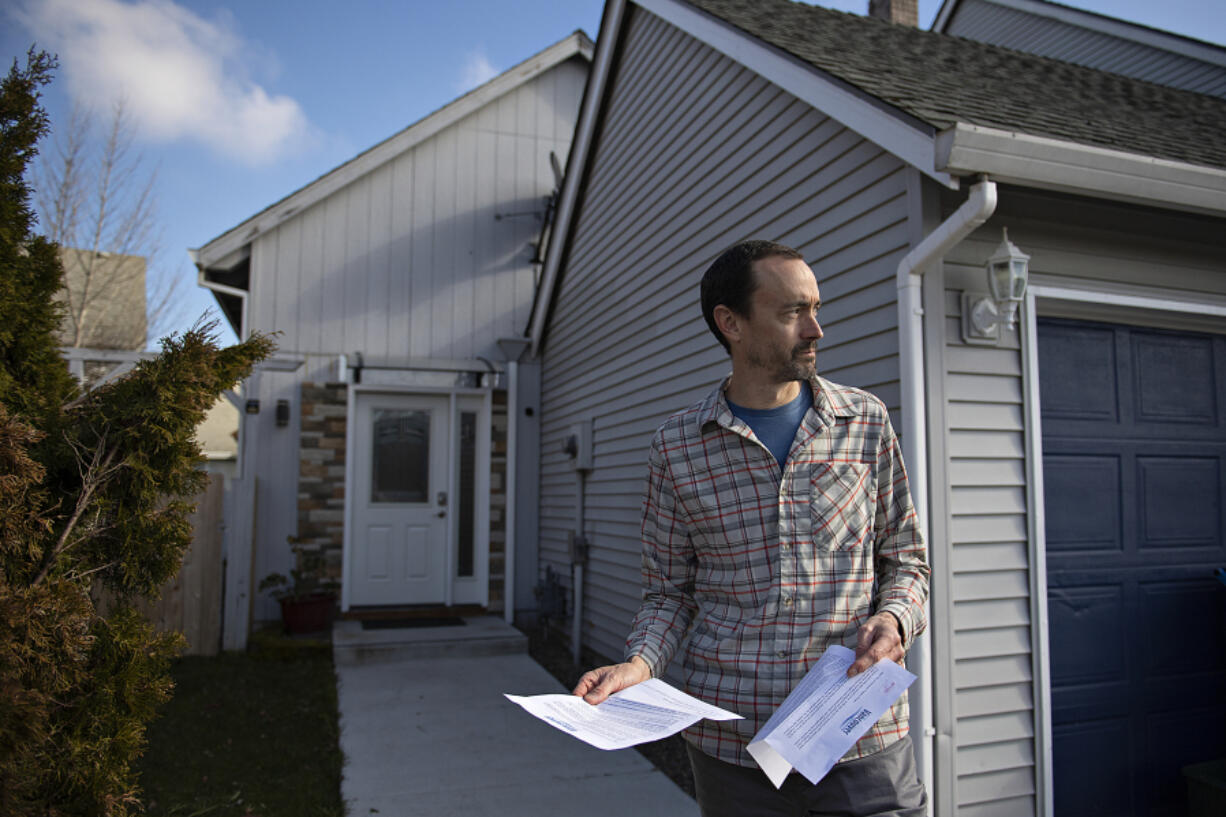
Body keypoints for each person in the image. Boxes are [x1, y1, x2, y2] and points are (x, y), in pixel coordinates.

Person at [572, 240, 931, 816]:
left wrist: (893, 618)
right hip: (734, 750)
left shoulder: (864, 422)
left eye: (816, 308)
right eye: (793, 312)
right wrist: (639, 664)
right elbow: (669, 592)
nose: (816, 329)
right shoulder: (677, 448)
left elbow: (905, 559)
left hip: (859, 739)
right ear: (730, 323)